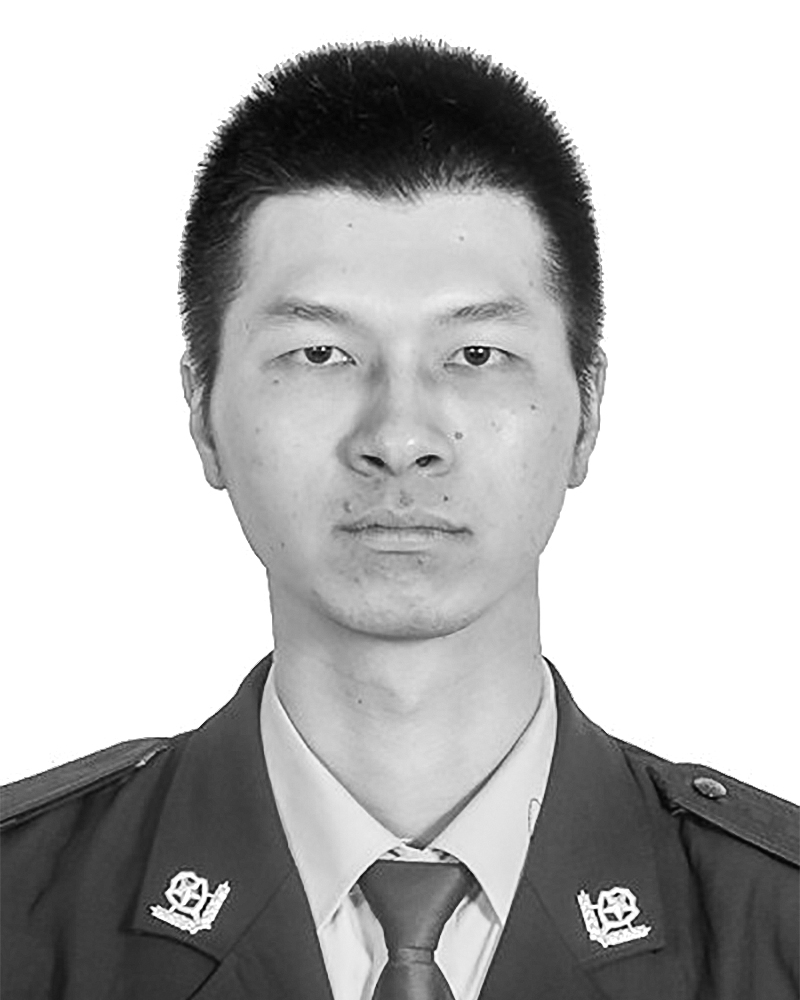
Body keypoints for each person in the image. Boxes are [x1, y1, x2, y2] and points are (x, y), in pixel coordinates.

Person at [1, 39, 796, 1000]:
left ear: (587, 412)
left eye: (476, 354)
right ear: (203, 413)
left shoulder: (774, 923)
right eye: (320, 354)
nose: (401, 437)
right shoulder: (20, 907)